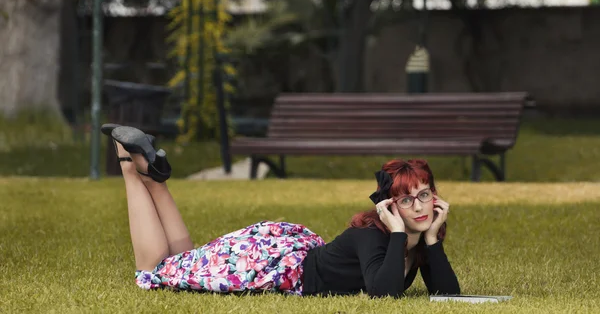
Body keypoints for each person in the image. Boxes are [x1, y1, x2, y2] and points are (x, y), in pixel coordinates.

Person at [102, 124, 460, 298]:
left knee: (187, 260)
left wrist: (431, 240)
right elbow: (384, 295)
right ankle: (129, 165)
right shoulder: (372, 236)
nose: (420, 206)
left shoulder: (417, 239)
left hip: (284, 252)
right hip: (274, 265)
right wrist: (398, 232)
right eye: (406, 199)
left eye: (425, 195)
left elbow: (447, 295)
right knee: (156, 271)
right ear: (388, 207)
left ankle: (154, 179)